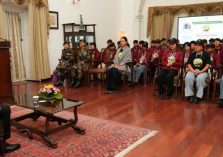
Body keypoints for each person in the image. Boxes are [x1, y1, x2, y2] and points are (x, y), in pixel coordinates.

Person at [185, 39, 211, 104]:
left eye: (199, 46)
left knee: (199, 79)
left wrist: (201, 71)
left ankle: (198, 96)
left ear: (202, 47)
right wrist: (193, 71)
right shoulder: (192, 54)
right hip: (193, 71)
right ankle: (190, 95)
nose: (196, 47)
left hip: (203, 72)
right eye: (196, 45)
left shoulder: (206, 54)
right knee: (188, 77)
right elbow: (189, 64)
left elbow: (208, 65)